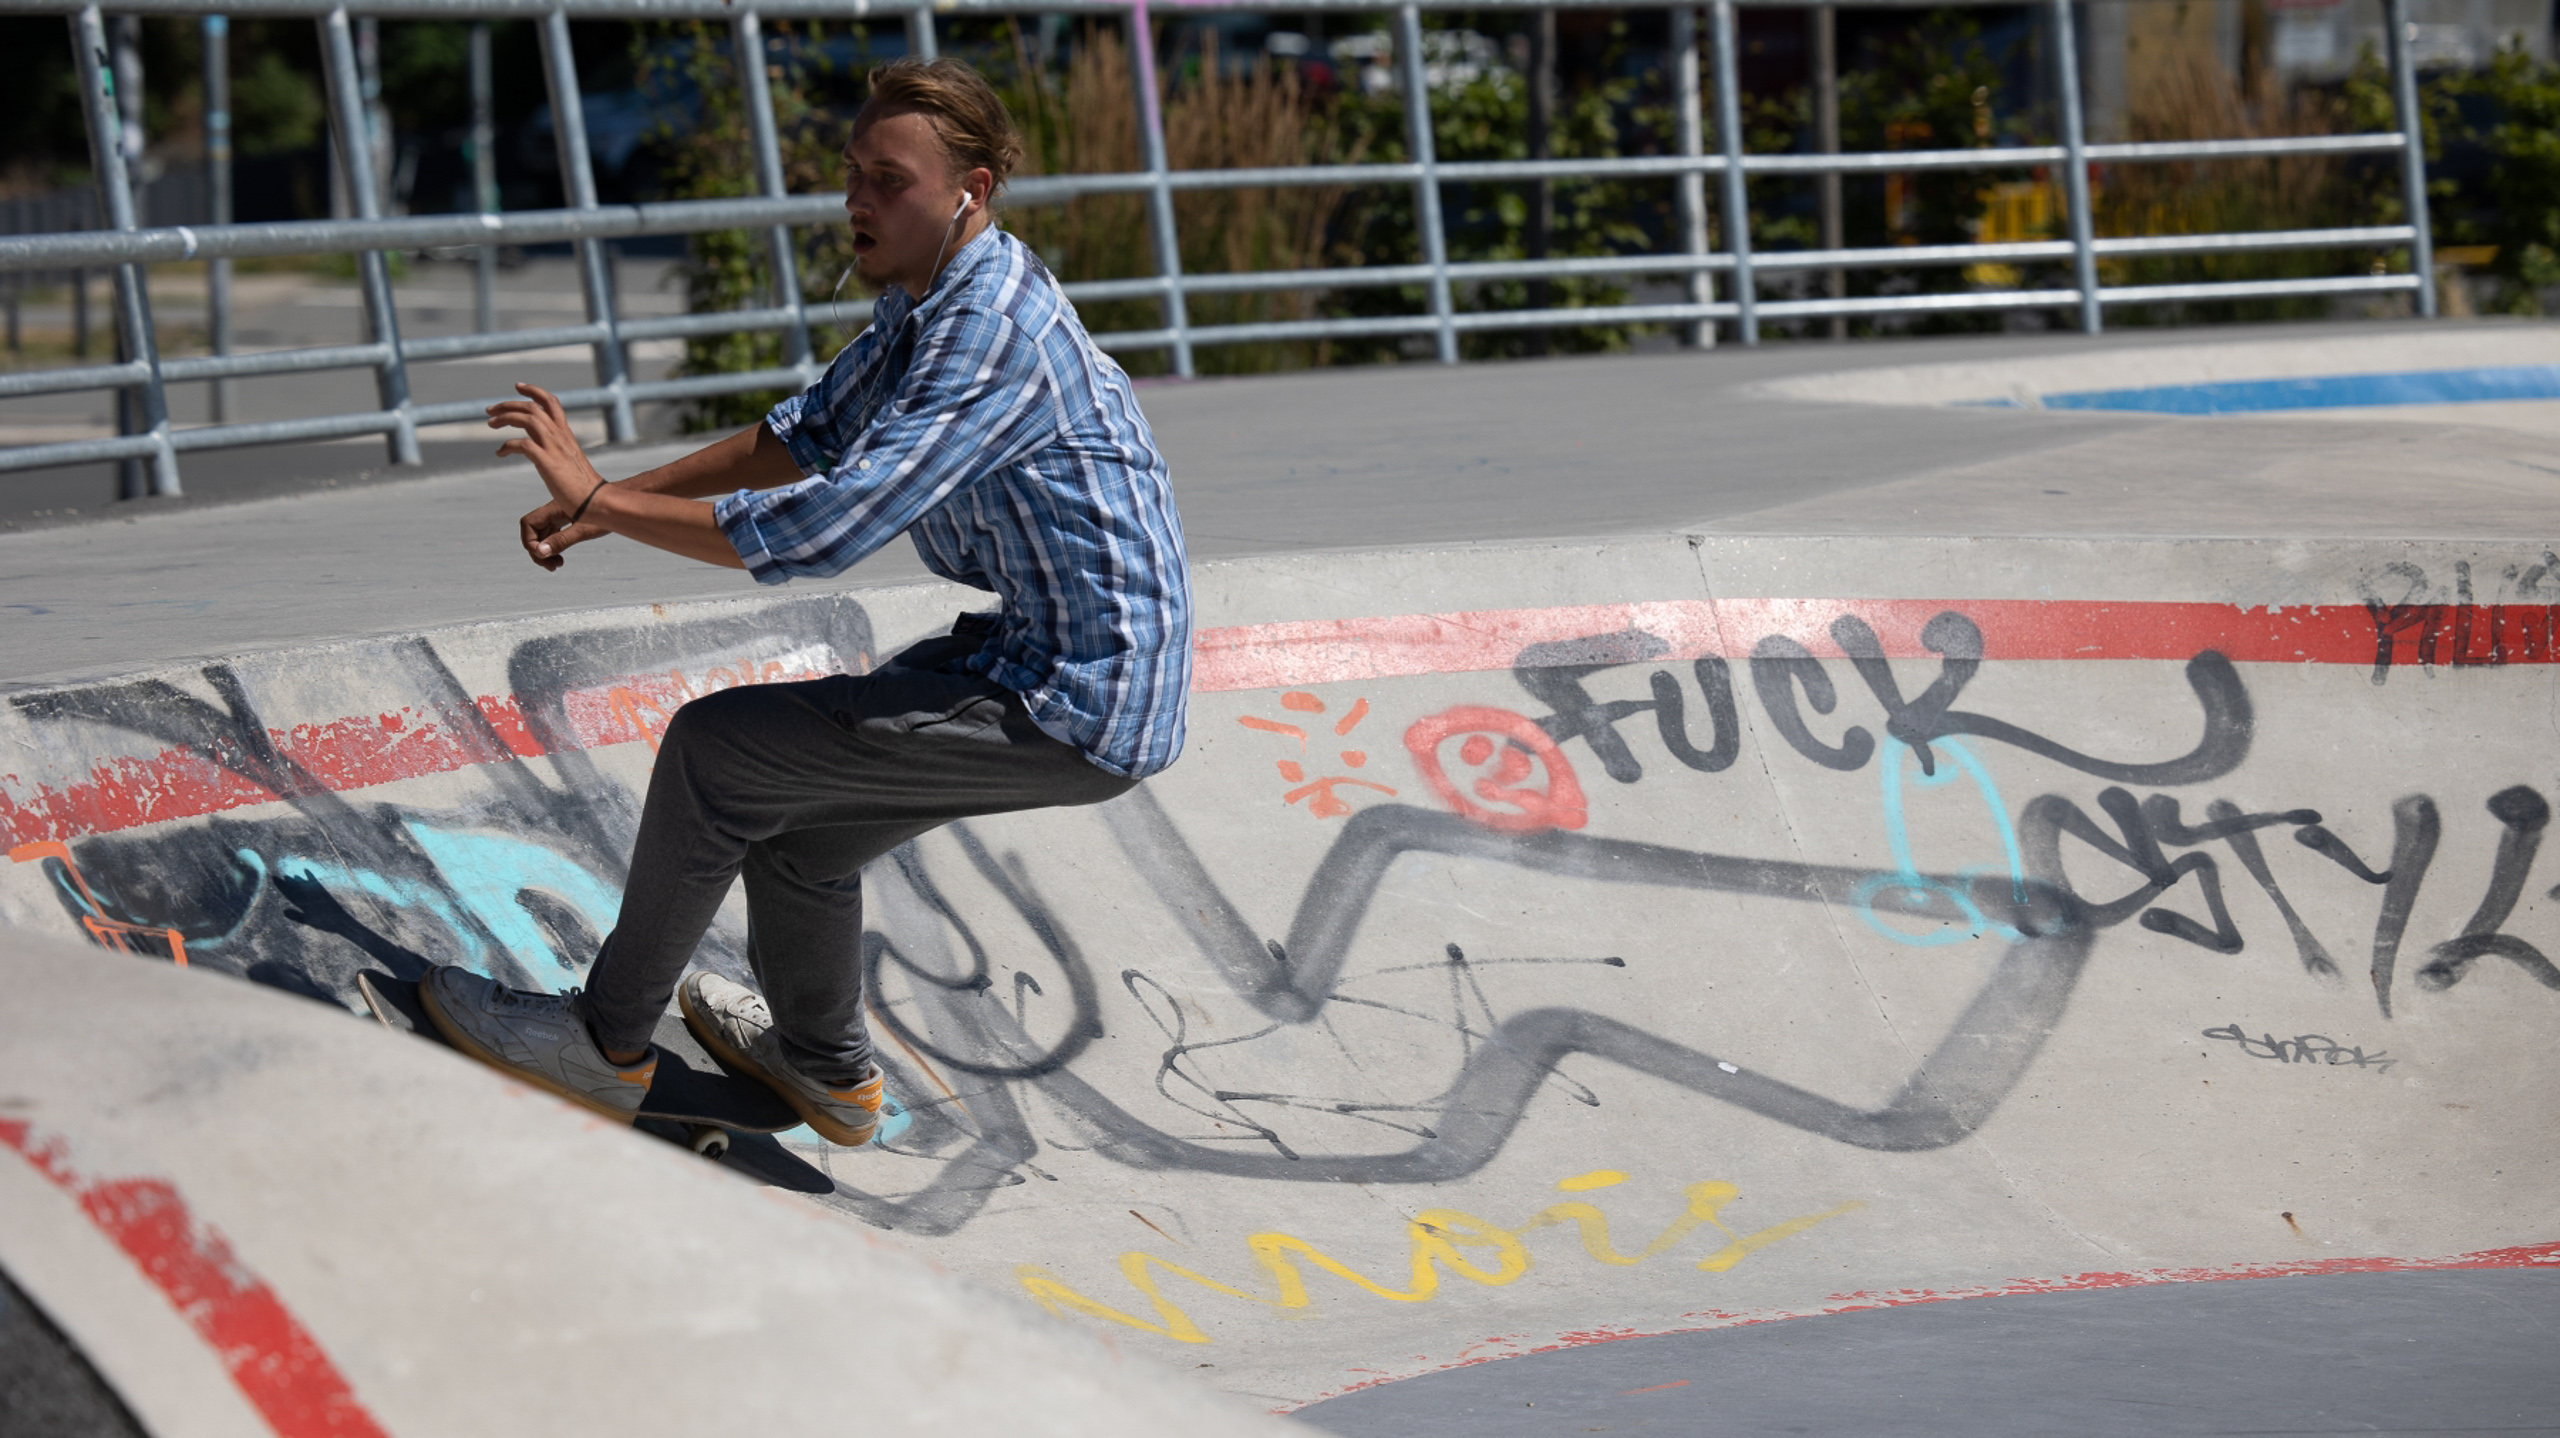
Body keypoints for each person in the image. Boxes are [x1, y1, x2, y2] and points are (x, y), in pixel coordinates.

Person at [415, 57, 1190, 1147]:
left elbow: (825, 526)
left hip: (1073, 697)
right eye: (853, 173)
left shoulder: (991, 334)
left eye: (889, 181)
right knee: (801, 840)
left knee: (716, 753)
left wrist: (602, 499)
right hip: (1038, 659)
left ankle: (601, 1043)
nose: (856, 201)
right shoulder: (930, 300)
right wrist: (617, 503)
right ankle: (827, 1069)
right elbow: (806, 434)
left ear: (969, 191)